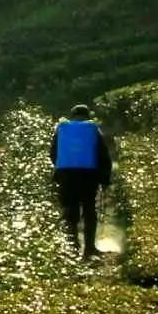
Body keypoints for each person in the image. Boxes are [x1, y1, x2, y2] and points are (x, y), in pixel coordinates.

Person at [52, 103, 111, 260]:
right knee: (89, 210)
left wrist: (61, 171)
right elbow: (104, 155)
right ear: (87, 116)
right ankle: (89, 249)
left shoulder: (62, 129)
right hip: (88, 176)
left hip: (66, 176)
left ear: (73, 116)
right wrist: (104, 179)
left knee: (70, 210)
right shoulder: (93, 130)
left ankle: (72, 247)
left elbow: (53, 153)